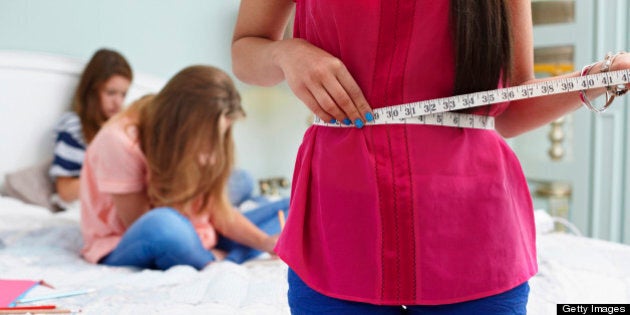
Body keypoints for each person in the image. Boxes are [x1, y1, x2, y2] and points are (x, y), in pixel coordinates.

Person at [231, 0, 630, 314]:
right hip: (339, 232)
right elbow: (245, 49)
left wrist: (597, 78)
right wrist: (287, 54)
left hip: (475, 239)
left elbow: (513, 105)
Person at [79, 65, 286, 270]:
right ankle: (216, 259)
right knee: (165, 226)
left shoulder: (193, 138)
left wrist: (265, 242)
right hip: (126, 239)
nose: (211, 145)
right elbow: (139, 223)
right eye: (207, 136)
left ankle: (220, 253)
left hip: (193, 227)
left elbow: (217, 209)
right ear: (184, 124)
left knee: (294, 203)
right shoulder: (118, 141)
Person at [49, 48, 133, 206]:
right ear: (93, 91)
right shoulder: (73, 127)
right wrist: (109, 177)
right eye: (111, 93)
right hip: (82, 204)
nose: (118, 103)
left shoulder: (123, 127)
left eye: (123, 94)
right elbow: (65, 192)